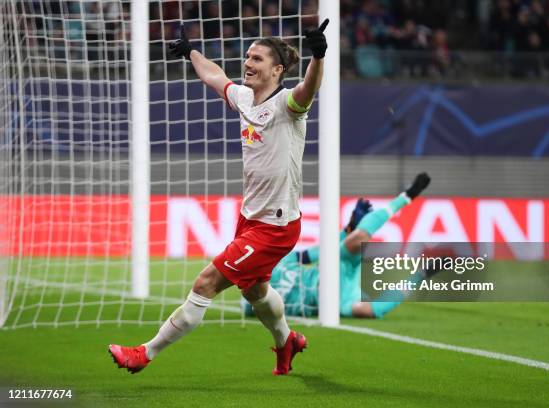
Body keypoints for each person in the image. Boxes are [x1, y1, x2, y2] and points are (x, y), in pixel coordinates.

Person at [109, 19, 330, 376]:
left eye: (257, 59)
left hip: (274, 226)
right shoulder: (244, 98)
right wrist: (191, 53)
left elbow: (308, 88)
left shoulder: (287, 106)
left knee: (206, 283)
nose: (248, 63)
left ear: (276, 69)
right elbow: (214, 76)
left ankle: (144, 353)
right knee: (255, 292)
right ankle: (287, 341)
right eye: (247, 56)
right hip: (251, 218)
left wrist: (318, 55)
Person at [242, 172, 432, 319]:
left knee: (357, 239)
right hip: (331, 301)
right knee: (367, 311)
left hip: (334, 269)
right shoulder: (251, 300)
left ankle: (406, 196)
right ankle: (421, 274)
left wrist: (346, 231)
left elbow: (319, 252)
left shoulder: (280, 260)